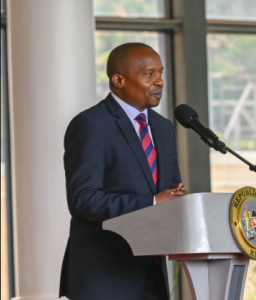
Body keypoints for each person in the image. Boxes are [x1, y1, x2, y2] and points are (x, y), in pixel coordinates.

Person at [59, 43, 187, 300]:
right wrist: (152, 202)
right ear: (118, 80)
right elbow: (83, 199)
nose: (159, 82)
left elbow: (171, 190)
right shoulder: (91, 125)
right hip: (105, 277)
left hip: (152, 274)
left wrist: (179, 200)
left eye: (160, 73)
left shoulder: (162, 127)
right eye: (149, 74)